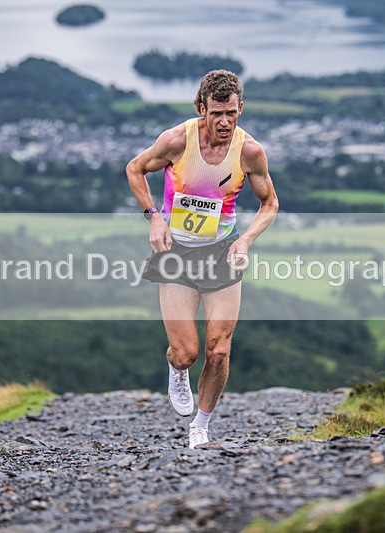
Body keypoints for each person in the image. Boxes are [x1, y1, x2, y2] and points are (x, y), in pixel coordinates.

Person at [126, 70, 278, 449]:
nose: (225, 122)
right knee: (187, 352)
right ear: (201, 109)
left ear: (241, 108)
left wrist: (245, 240)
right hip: (175, 253)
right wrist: (154, 217)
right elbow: (134, 169)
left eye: (232, 113)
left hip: (221, 253)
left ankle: (201, 426)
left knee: (219, 349)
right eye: (216, 113)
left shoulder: (249, 152)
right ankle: (176, 368)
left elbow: (269, 203)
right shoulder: (177, 141)